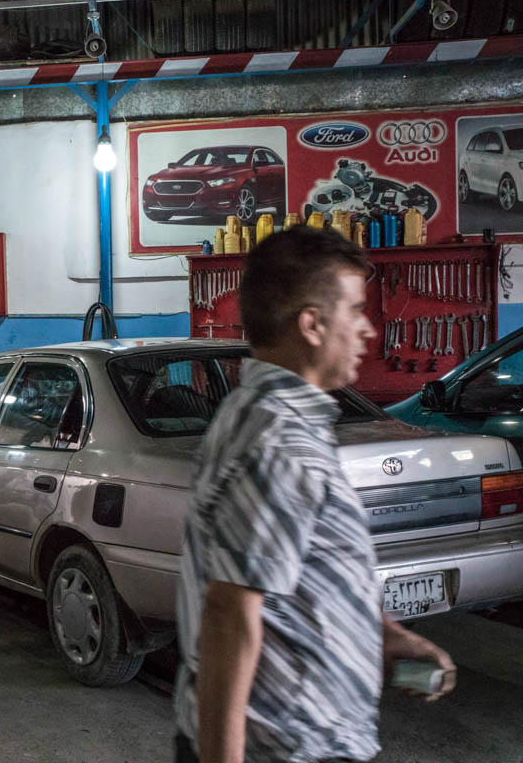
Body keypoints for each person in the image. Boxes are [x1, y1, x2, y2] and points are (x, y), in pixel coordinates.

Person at [174, 227, 455, 763]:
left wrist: (382, 634)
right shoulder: (279, 440)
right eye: (355, 310)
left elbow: (297, 580)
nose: (368, 329)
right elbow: (231, 615)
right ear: (312, 324)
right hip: (286, 747)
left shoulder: (264, 417)